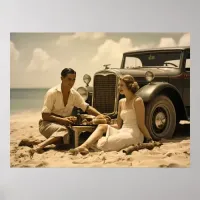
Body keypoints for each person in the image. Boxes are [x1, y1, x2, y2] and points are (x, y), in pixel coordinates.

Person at [69, 75, 153, 155]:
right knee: (102, 126)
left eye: (121, 85)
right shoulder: (121, 101)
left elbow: (141, 124)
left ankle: (91, 145)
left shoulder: (137, 101)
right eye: (119, 85)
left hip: (134, 134)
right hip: (123, 130)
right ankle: (83, 147)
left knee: (101, 143)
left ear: (130, 86)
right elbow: (119, 125)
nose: (119, 87)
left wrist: (149, 139)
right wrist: (105, 123)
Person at [33, 68, 103, 153]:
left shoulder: (74, 94)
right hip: (47, 124)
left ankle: (32, 142)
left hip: (65, 125)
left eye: (73, 80)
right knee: (63, 131)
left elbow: (86, 107)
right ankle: (39, 146)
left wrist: (101, 115)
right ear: (62, 78)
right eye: (69, 79)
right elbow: (45, 116)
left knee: (70, 143)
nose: (71, 82)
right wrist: (63, 119)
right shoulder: (52, 93)